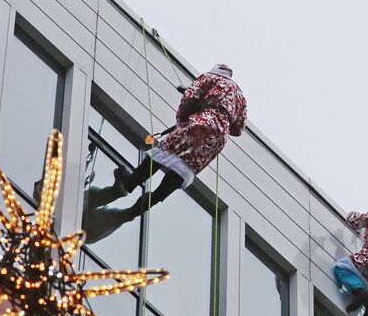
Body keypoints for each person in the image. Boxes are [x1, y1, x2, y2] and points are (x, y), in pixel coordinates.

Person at [84, 64, 247, 242]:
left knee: (166, 153)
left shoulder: (210, 77)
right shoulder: (240, 97)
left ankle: (129, 183)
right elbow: (238, 129)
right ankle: (137, 209)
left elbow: (190, 97)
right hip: (217, 139)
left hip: (199, 124)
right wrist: (222, 119)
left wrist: (183, 118)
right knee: (184, 167)